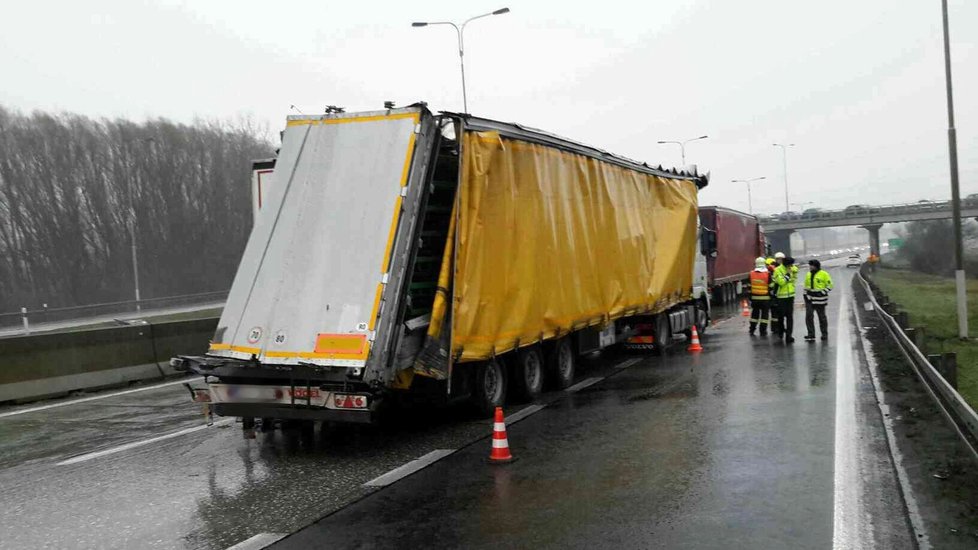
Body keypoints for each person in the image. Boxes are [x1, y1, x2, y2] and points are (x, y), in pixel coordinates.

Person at [804, 259, 833, 341]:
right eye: (809, 265)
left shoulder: (824, 274)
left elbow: (830, 285)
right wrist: (806, 295)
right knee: (809, 317)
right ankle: (811, 334)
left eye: (811, 265)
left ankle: (824, 334)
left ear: (816, 266)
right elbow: (806, 287)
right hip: (810, 300)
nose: (810, 267)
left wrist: (822, 292)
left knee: (822, 318)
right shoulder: (808, 274)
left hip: (820, 300)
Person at [772, 256, 798, 343]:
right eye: (789, 265)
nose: (791, 266)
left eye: (791, 265)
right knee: (781, 317)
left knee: (790, 317)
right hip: (781, 297)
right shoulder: (777, 270)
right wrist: (787, 275)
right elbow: (781, 282)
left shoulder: (792, 268)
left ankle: (789, 336)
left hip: (790, 296)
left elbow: (794, 278)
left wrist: (791, 275)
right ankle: (781, 331)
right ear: (785, 264)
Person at [749, 257, 772, 336]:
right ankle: (763, 331)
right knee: (764, 316)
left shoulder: (751, 274)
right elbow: (771, 286)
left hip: (755, 299)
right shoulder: (768, 274)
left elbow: (749, 286)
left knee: (754, 315)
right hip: (765, 299)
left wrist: (750, 296)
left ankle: (752, 329)